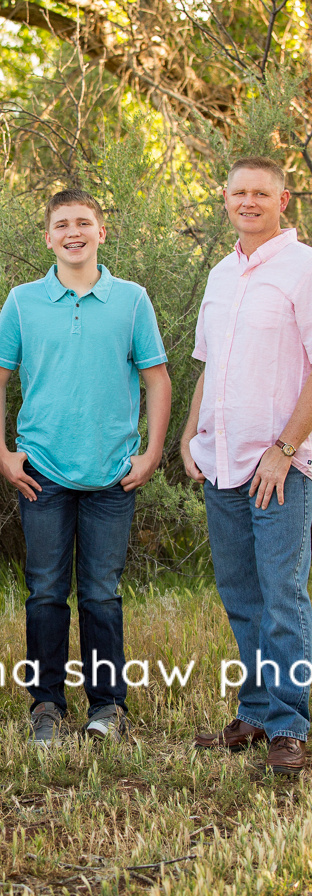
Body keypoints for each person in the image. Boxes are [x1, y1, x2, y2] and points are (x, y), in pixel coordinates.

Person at [0, 188, 171, 745]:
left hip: (113, 471)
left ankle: (106, 707)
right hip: (41, 471)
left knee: (101, 592)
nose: (73, 232)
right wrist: (1, 453)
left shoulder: (132, 300)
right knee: (44, 590)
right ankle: (46, 704)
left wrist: (152, 450)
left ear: (101, 232)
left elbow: (157, 377)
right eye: (62, 224)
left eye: (83, 222)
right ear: (48, 237)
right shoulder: (22, 301)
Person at [183, 157, 312, 776]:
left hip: (281, 465)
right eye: (240, 193)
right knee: (240, 595)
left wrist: (284, 449)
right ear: (225, 199)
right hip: (222, 462)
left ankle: (291, 724)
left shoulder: (303, 268)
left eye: (262, 193)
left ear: (282, 200)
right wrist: (190, 435)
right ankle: (256, 713)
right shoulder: (220, 274)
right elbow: (210, 367)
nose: (250, 201)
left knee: (282, 596)